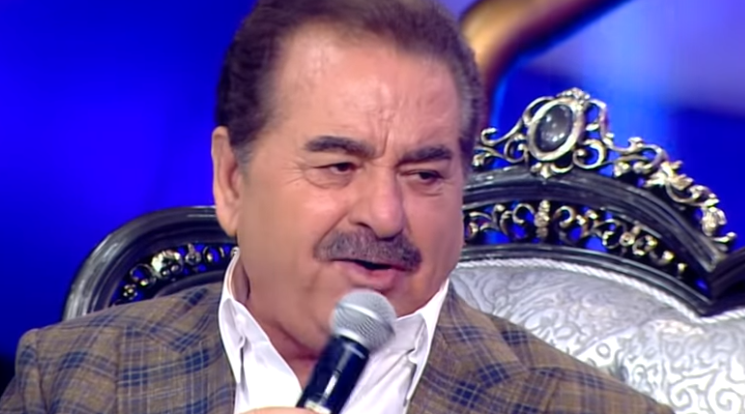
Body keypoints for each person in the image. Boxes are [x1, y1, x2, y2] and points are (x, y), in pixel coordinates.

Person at [0, 0, 674, 413]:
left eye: (424, 173)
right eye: (338, 167)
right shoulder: (71, 378)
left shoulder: (593, 409)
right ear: (232, 180)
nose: (385, 215)